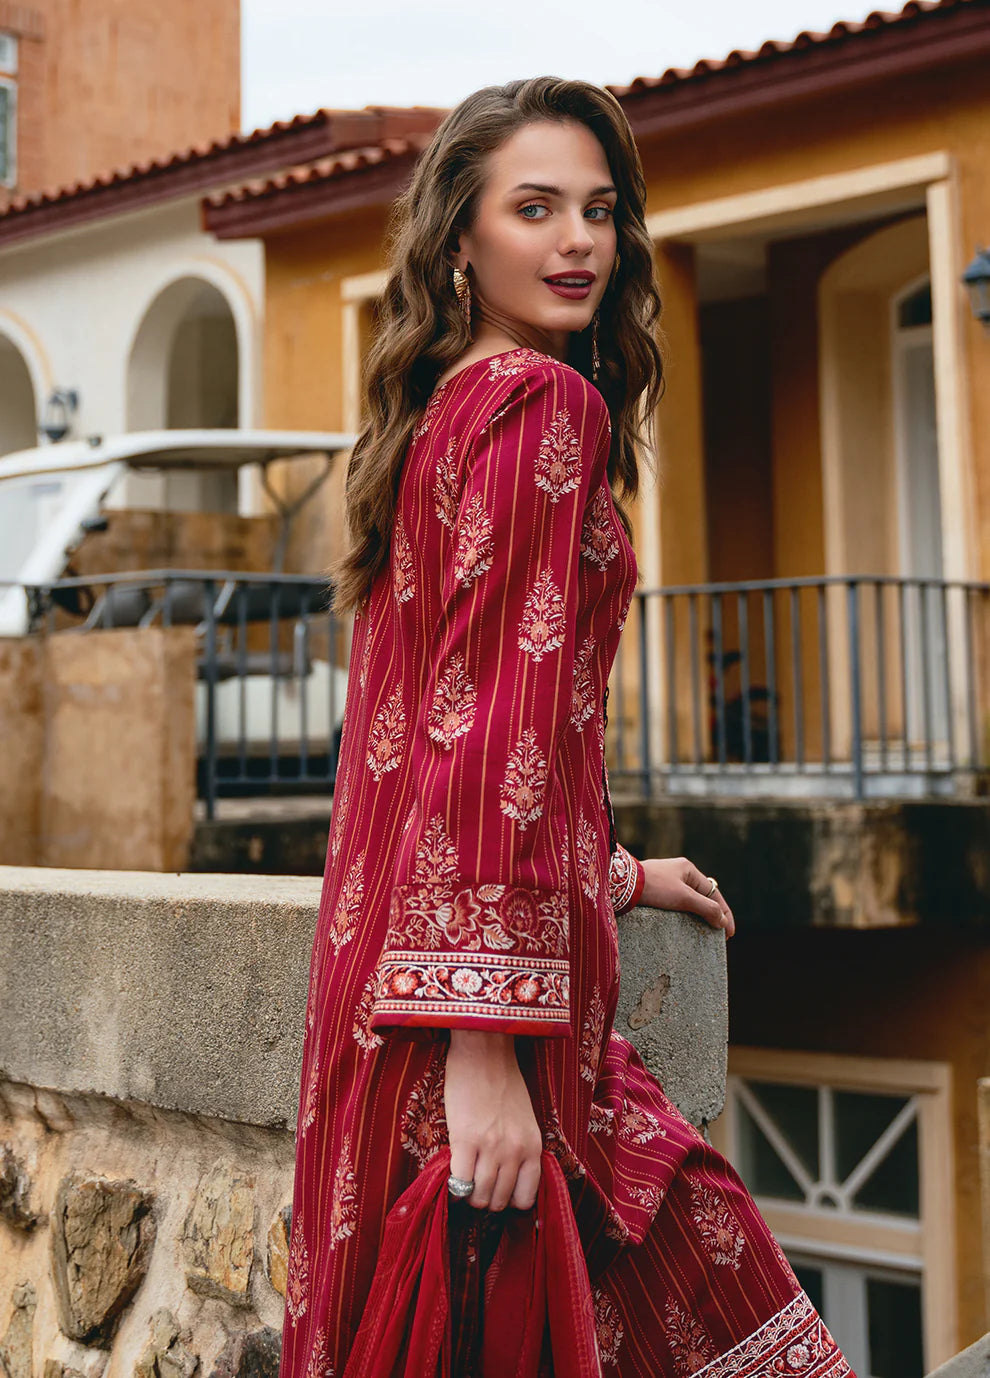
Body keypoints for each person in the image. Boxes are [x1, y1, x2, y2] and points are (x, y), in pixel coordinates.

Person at [278, 76, 854, 1378]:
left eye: (598, 209)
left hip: (376, 1006)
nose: (576, 239)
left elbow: (437, 751)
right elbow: (491, 733)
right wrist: (487, 1048)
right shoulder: (542, 409)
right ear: (460, 240)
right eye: (533, 207)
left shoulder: (430, 427)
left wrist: (612, 872)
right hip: (490, 1038)